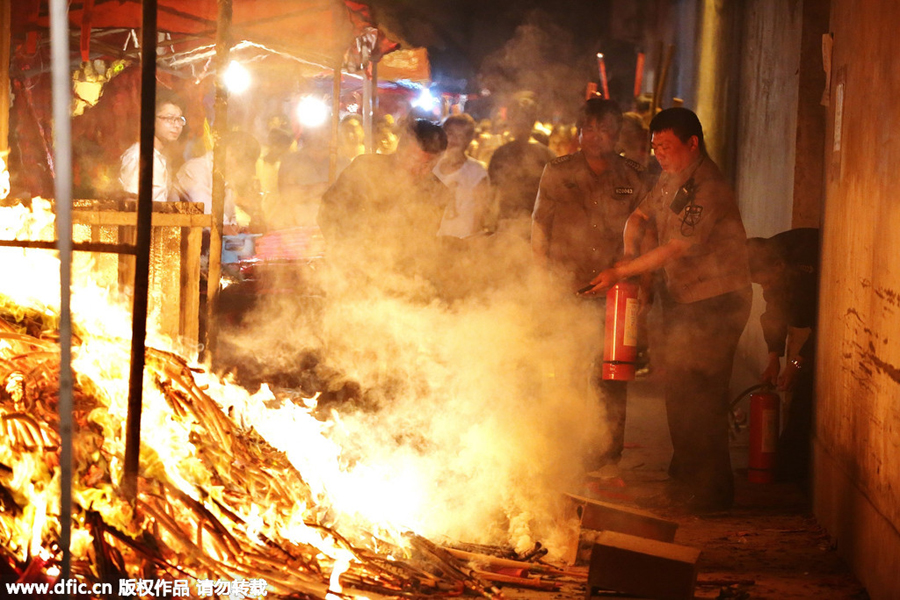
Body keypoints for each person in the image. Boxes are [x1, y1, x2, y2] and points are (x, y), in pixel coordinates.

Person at [586, 107, 752, 513]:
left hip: (715, 301)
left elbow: (676, 247)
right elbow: (641, 215)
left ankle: (709, 493)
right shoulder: (670, 178)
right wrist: (629, 251)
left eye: (666, 146)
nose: (659, 154)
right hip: (685, 298)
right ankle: (686, 482)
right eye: (655, 146)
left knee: (701, 397)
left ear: (692, 144)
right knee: (680, 394)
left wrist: (621, 270)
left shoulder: (707, 186)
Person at [532, 98, 650, 477]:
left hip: (618, 291)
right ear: (579, 133)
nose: (597, 137)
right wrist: (541, 276)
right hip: (568, 285)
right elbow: (539, 226)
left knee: (612, 376)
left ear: (617, 134)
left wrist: (644, 285)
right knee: (568, 369)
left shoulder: (634, 175)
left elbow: (648, 233)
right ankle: (565, 446)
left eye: (606, 130)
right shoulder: (556, 171)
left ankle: (606, 456)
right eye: (590, 129)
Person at [318, 118, 451, 281]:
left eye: (430, 165)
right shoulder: (365, 169)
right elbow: (329, 211)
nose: (421, 171)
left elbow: (425, 243)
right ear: (401, 150)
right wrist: (347, 250)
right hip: (351, 270)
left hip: (401, 278)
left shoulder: (436, 191)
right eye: (415, 161)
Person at [747, 228, 819, 482]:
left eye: (765, 281)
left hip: (830, 328)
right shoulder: (775, 265)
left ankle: (790, 474)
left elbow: (826, 322)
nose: (766, 288)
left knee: (804, 396)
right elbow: (773, 313)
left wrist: (796, 363)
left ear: (779, 266)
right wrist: (773, 357)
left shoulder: (809, 260)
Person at [487, 92, 556, 236]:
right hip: (507, 224)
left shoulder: (547, 156)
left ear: (531, 122)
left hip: (537, 226)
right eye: (516, 120)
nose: (518, 126)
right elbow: (492, 191)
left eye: (522, 121)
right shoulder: (501, 154)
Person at [173, 130, 262, 232]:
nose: (240, 168)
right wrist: (227, 227)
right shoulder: (194, 169)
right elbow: (205, 208)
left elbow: (229, 215)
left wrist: (236, 226)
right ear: (229, 151)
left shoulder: (224, 177)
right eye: (241, 162)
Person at [119, 91, 186, 203]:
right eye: (169, 119)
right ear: (152, 120)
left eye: (180, 119)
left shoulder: (161, 158)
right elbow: (132, 203)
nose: (177, 125)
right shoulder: (139, 156)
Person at [435, 114, 491, 239]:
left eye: (461, 135)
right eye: (450, 134)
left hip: (462, 244)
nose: (454, 140)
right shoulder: (431, 166)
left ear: (469, 139)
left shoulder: (477, 172)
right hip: (432, 243)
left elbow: (480, 216)